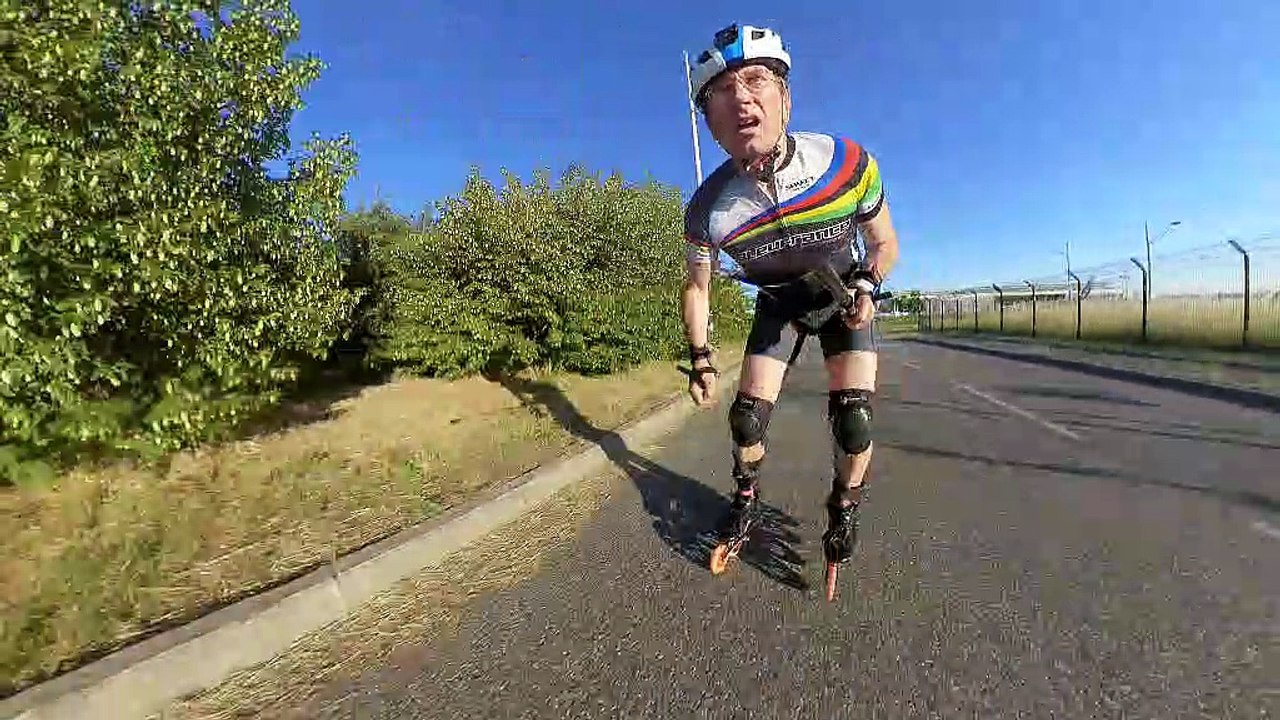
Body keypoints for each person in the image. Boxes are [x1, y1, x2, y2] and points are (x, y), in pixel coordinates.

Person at [679, 23, 901, 576]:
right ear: (709, 124)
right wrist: (701, 358)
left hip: (841, 296)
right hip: (779, 304)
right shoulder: (708, 208)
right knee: (745, 420)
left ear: (785, 96)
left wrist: (869, 285)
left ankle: (843, 507)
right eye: (721, 93)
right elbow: (698, 287)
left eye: (756, 80)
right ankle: (746, 498)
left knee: (855, 422)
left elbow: (885, 242)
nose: (741, 99)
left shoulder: (845, 162)